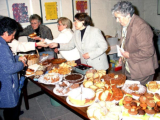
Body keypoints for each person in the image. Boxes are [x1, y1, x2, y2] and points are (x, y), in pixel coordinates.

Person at [111, 1, 158, 85]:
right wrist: (123, 57)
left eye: (118, 18)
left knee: (139, 94)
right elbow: (127, 42)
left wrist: (128, 55)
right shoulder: (126, 23)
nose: (117, 21)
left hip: (141, 71)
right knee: (130, 91)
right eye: (116, 18)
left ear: (128, 15)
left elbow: (148, 52)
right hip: (130, 67)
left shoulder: (141, 27)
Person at [0, 17, 26, 120]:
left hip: (4, 81)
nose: (13, 37)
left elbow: (6, 60)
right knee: (12, 109)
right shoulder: (1, 47)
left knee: (9, 108)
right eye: (13, 34)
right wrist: (22, 64)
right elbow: (9, 68)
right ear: (6, 33)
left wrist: (17, 57)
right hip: (6, 83)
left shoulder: (2, 43)